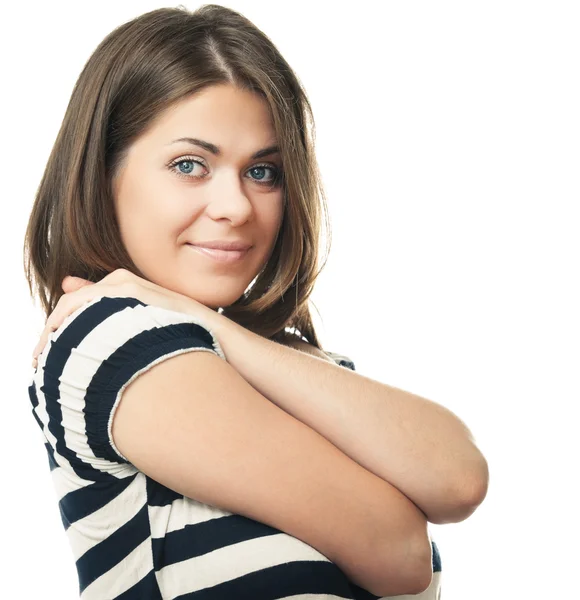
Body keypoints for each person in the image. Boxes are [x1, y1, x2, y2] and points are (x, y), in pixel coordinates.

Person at [24, 5, 487, 598]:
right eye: (190, 165)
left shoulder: (283, 361)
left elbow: (460, 479)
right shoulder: (107, 340)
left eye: (263, 172)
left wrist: (211, 327)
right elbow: (398, 552)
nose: (237, 207)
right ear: (103, 174)